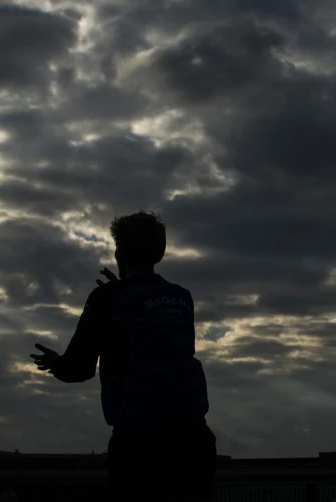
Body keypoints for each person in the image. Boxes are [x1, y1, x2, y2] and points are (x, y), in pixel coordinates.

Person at [30, 211, 216, 502]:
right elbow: (148, 327)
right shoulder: (182, 298)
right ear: (161, 252)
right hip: (194, 438)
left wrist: (55, 362)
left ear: (119, 251)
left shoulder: (107, 299)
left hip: (139, 440)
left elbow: (78, 369)